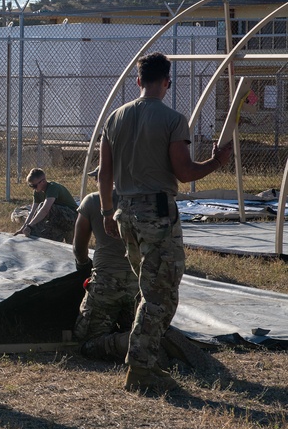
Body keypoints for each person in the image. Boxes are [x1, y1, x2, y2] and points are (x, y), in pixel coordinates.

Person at [99, 52, 233, 393]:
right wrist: (217, 161)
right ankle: (140, 368)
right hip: (156, 215)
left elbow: (104, 173)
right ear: (167, 82)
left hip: (123, 212)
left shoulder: (115, 117)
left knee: (148, 290)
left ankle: (145, 359)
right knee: (160, 295)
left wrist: (105, 211)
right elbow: (184, 171)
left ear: (139, 80)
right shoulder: (173, 119)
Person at [72, 167, 134, 362]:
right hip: (139, 283)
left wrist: (83, 264)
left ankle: (126, 344)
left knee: (84, 342)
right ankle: (143, 339)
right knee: (136, 323)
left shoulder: (92, 201)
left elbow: (78, 245)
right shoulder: (141, 200)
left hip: (106, 283)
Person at [14, 168, 78, 242]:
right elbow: (32, 212)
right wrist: (23, 228)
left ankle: (34, 233)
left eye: (34, 186)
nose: (33, 189)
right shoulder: (37, 192)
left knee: (41, 207)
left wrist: (30, 226)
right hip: (57, 220)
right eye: (30, 186)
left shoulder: (53, 187)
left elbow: (45, 210)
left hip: (73, 218)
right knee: (46, 238)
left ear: (43, 181)